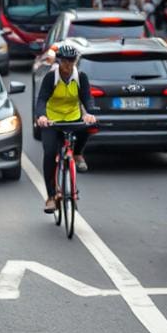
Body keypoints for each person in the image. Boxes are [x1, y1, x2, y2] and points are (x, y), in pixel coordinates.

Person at [34, 44, 97, 213]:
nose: (68, 65)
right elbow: (41, 100)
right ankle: (51, 196)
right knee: (49, 153)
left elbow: (87, 98)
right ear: (59, 61)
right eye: (64, 62)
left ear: (75, 61)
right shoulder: (51, 77)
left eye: (71, 61)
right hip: (52, 121)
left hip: (72, 118)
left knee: (88, 127)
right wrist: (41, 116)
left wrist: (90, 113)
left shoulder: (81, 77)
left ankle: (77, 154)